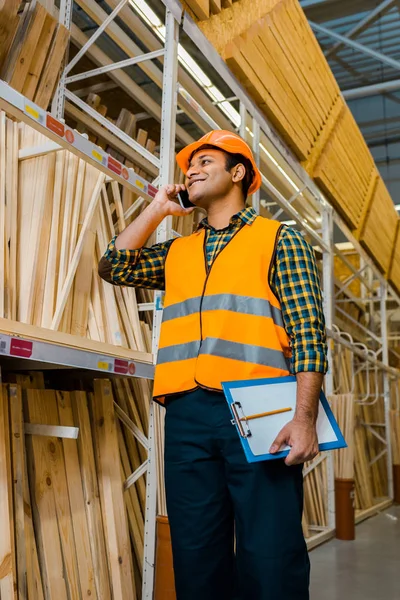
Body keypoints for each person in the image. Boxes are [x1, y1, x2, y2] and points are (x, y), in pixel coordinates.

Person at [98, 130, 328, 600]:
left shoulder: (279, 239)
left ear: (238, 172)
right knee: (196, 552)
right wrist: (160, 208)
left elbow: (309, 335)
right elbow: (113, 265)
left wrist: (304, 420)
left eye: (205, 161)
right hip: (186, 416)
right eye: (188, 166)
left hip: (260, 413)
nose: (192, 170)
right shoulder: (177, 251)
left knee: (270, 555)